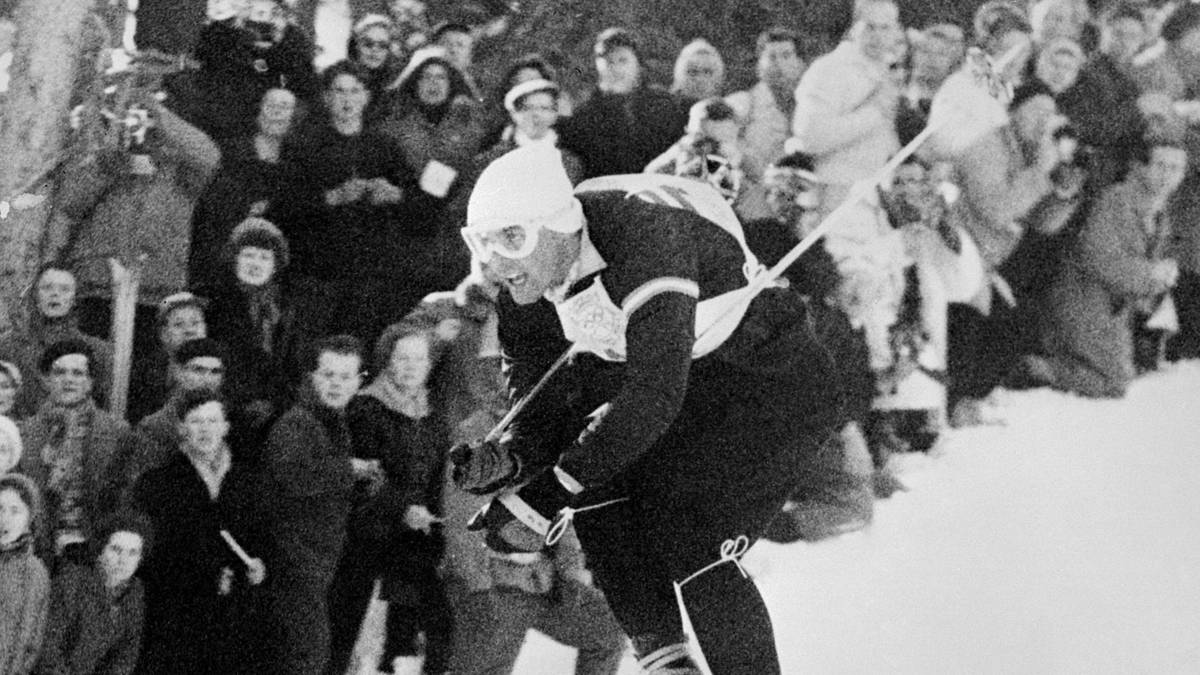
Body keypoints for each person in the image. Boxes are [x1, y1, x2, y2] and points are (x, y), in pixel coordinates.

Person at [453, 146, 842, 674]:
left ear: (561, 224)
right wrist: (513, 458)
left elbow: (654, 396)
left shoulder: (642, 235)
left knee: (694, 540)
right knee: (598, 482)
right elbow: (540, 397)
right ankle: (665, 659)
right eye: (481, 243)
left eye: (512, 238)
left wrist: (540, 499)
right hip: (693, 379)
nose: (497, 261)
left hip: (766, 379)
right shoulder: (524, 278)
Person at [416, 276, 626, 675]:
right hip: (495, 581)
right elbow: (462, 520)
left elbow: (561, 506)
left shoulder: (543, 430)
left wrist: (568, 573)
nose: (508, 383)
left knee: (607, 631)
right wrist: (478, 590)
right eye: (499, 372)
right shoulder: (475, 433)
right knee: (490, 656)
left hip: (541, 578)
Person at [330, 320, 453, 675]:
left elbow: (435, 475)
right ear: (387, 361)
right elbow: (364, 475)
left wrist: (431, 515)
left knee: (430, 626)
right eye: (402, 358)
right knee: (348, 629)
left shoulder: (433, 412)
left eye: (419, 359)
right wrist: (403, 508)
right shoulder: (367, 407)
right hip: (369, 531)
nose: (411, 366)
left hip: (415, 537)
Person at [279, 60, 426, 347]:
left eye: (355, 91)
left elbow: (417, 203)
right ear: (326, 97)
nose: (347, 99)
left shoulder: (384, 146)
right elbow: (286, 207)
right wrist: (331, 198)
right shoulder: (305, 147)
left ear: (366, 96)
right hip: (318, 273)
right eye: (339, 91)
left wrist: (393, 194)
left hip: (370, 273)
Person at [1023, 139, 1186, 397]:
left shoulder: (1159, 212)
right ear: (1142, 167)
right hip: (1082, 299)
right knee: (1114, 382)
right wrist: (1150, 274)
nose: (1167, 175)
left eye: (1176, 168)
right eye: (1160, 165)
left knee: (1121, 376)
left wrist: (1160, 279)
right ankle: (1030, 368)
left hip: (1112, 309)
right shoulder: (1116, 200)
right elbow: (1097, 257)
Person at [133, 389, 270, 674]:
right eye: (196, 422)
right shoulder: (158, 484)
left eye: (212, 421)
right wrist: (205, 575)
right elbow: (152, 556)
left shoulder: (251, 483)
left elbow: (265, 541)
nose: (205, 430)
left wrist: (262, 567)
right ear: (182, 428)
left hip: (235, 618)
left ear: (226, 427)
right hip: (176, 616)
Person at [262, 335, 365, 675]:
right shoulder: (298, 423)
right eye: (328, 375)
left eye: (344, 377)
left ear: (358, 382)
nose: (335, 384)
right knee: (305, 656)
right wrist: (349, 470)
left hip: (316, 564)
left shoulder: (332, 422)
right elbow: (293, 476)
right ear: (312, 376)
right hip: (294, 563)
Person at [17, 340, 140, 563]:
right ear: (46, 380)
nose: (69, 380)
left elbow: (123, 499)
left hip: (92, 550)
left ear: (91, 382)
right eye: (60, 372)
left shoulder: (116, 433)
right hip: (33, 551)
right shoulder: (24, 433)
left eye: (78, 373)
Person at [789, 0, 903, 212]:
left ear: (896, 30)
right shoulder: (828, 69)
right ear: (853, 27)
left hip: (883, 197)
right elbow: (810, 137)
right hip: (838, 195)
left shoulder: (891, 71)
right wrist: (875, 112)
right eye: (869, 26)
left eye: (885, 27)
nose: (877, 36)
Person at [201, 217, 298, 444]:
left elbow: (292, 369)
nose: (255, 264)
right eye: (248, 255)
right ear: (235, 259)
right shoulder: (213, 302)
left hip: (271, 418)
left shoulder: (284, 310)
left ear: (275, 266)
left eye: (264, 257)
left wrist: (274, 404)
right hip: (221, 413)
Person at [189, 87, 297, 290]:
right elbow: (211, 203)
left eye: (285, 106)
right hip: (225, 250)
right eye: (270, 105)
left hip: (273, 259)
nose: (276, 112)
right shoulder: (232, 150)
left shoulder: (296, 159)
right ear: (259, 110)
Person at [560, 27, 689, 179]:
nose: (615, 68)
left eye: (623, 60)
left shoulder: (664, 105)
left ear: (637, 64)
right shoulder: (583, 116)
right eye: (609, 61)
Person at [36, 511, 152, 675]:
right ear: (100, 551)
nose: (123, 560)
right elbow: (47, 649)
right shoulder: (70, 583)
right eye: (116, 549)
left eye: (133, 553)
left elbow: (125, 655)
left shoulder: (134, 593)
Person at [0, 265, 114, 418]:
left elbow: (102, 411)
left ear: (74, 299)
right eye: (47, 288)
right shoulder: (8, 346)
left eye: (64, 289)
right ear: (35, 296)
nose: (55, 294)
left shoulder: (97, 351)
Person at [133, 337, 230, 473]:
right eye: (198, 370)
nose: (207, 379)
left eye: (215, 372)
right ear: (179, 373)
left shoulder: (233, 425)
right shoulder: (155, 428)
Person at [128, 292, 209, 425]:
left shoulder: (220, 369)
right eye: (179, 324)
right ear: (164, 334)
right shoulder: (144, 375)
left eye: (195, 323)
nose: (189, 331)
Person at [0, 473, 49, 675]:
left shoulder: (35, 573)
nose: (5, 519)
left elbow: (31, 641)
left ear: (29, 519)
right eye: (0, 509)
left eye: (15, 511)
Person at [670, 39, 726, 103]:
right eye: (693, 72)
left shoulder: (726, 110)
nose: (700, 79)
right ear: (679, 76)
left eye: (707, 72)